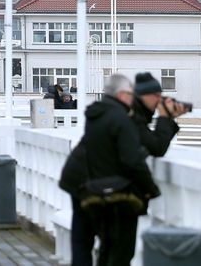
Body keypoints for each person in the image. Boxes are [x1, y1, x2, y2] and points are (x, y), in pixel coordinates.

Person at [60, 73, 160, 266]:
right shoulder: (121, 118)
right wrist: (151, 189)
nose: (133, 99)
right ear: (122, 95)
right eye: (131, 94)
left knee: (83, 239)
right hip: (92, 184)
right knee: (112, 244)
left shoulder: (98, 113)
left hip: (79, 181)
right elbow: (132, 161)